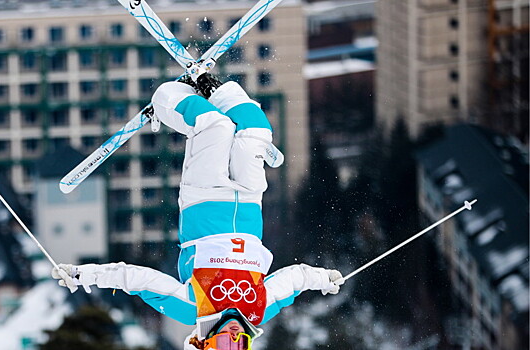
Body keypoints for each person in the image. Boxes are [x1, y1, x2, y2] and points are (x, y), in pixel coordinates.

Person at [52, 66, 343, 350]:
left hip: (203, 199)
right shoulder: (258, 311)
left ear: (204, 341)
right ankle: (213, 88)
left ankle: (166, 99)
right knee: (256, 129)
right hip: (250, 201)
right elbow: (293, 282)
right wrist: (323, 279)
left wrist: (83, 275)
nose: (235, 337)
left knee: (214, 127)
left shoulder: (193, 308)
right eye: (241, 345)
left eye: (224, 344)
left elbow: (137, 279)